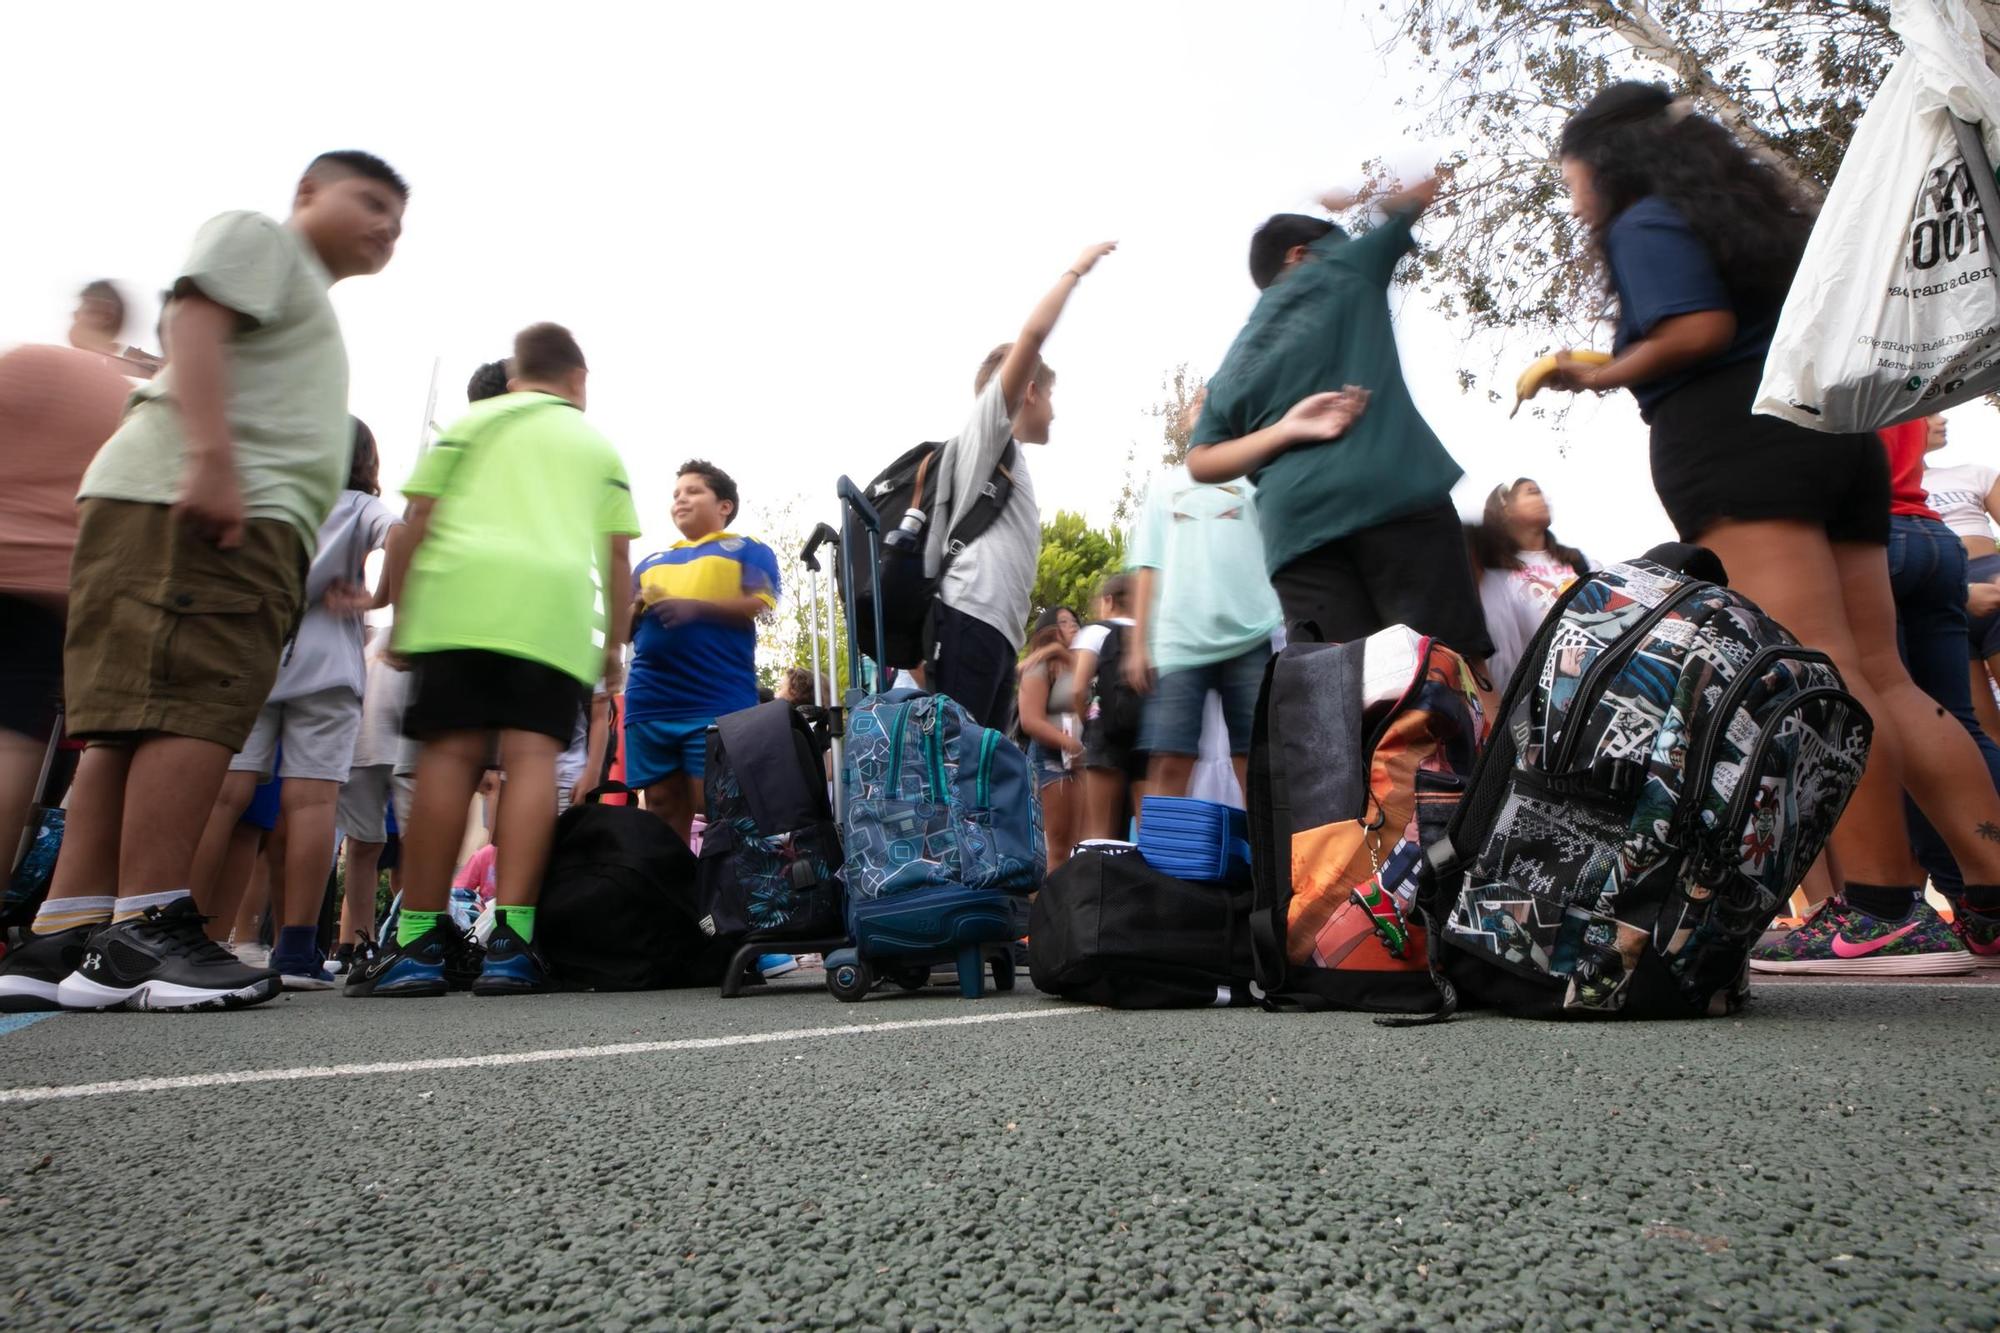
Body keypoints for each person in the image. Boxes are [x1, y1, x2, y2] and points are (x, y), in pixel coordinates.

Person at [1543, 82, 1997, 972]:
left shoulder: (1644, 219)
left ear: (1605, 162)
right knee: (1885, 674)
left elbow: (1698, 326)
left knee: (1819, 670)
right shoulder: (1752, 223)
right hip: (1834, 444)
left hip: (1742, 454)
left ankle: (1879, 907)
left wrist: (1592, 373)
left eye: (1572, 178)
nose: (1574, 196)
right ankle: (1989, 888)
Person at [0, 150, 408, 1013]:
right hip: (212, 507)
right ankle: (147, 924)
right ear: (306, 193)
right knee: (192, 706)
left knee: (129, 724)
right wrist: (216, 461)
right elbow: (195, 317)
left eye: (398, 218)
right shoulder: (262, 241)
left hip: (166, 504)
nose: (386, 226)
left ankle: (66, 930)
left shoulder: (299, 294)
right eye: (369, 201)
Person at [346, 322, 639, 998]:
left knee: (450, 756)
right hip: (550, 612)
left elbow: (415, 521)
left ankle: (417, 938)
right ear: (579, 379)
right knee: (534, 758)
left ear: (514, 376)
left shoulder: (471, 426)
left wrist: (404, 617)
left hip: (459, 603)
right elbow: (617, 554)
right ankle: (513, 939)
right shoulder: (592, 441)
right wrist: (613, 647)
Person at [1186, 177, 1493, 670]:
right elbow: (1423, 191)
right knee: (1451, 674)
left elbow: (1201, 462)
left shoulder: (1233, 363)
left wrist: (1286, 429)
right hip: (1390, 495)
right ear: (1300, 253)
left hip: (1297, 532)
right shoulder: (1342, 269)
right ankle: (1488, 752)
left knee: (1345, 698)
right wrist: (1356, 200)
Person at [183, 418, 404, 989]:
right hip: (327, 661)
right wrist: (377, 596)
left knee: (222, 794)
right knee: (311, 803)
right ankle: (297, 949)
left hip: (252, 652)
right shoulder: (358, 505)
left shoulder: (274, 496)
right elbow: (404, 534)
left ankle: (189, 936)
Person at [926, 242, 1118, 731]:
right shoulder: (990, 435)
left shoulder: (1010, 460)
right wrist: (1076, 271)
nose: (1054, 408)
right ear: (1028, 390)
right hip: (969, 617)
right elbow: (1032, 337)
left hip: (996, 632)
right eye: (1050, 394)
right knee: (961, 765)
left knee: (982, 769)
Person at [0, 308, 131, 938]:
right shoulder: (120, 397)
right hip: (52, 587)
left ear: (84, 313)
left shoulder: (25, 365)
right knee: (11, 746)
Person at [1125, 391, 1284, 802]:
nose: (1206, 404)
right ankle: (1163, 865)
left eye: (1215, 399)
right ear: (1185, 420)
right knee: (1169, 760)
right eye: (1197, 400)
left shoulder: (1255, 480)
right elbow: (1148, 565)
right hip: (1178, 642)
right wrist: (1139, 644)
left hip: (1250, 635)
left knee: (1258, 762)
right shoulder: (1163, 485)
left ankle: (1264, 866)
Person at [624, 460, 779, 843]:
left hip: (717, 698)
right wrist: (636, 604)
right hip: (650, 702)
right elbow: (622, 630)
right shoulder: (649, 563)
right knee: (659, 806)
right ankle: (671, 898)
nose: (681, 500)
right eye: (676, 494)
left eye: (693, 491)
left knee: (717, 805)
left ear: (724, 505)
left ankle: (727, 899)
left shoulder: (748, 548)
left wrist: (695, 606)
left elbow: (759, 602)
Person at [1920, 415, 2000, 745]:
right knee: (1980, 733)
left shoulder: (1973, 473)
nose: (1942, 418)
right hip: (1937, 601)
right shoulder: (1878, 493)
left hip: (1992, 581)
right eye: (1927, 415)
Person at [1470, 479, 1591, 692]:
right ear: (1505, 509)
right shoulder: (1496, 577)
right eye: (1531, 492)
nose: (1541, 498)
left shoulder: (1577, 562)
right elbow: (1502, 663)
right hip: (1549, 696)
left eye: (1540, 492)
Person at [1072, 575, 1146, 841]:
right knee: (1149, 831)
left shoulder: (1095, 631)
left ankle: (1102, 880)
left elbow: (1078, 688)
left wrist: (1085, 725)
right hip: (1147, 734)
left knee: (1101, 833)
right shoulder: (1148, 634)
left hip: (1105, 733)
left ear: (1109, 600)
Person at [1016, 609, 1082, 870]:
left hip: (1084, 759)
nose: (1073, 626)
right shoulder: (1042, 665)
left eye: (1075, 621)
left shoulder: (1084, 661)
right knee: (1059, 845)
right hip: (1052, 757)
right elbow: (1030, 720)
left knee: (1083, 842)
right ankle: (1051, 907)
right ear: (1049, 630)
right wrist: (1070, 744)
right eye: (1064, 622)